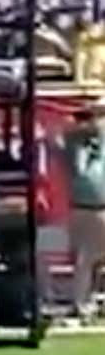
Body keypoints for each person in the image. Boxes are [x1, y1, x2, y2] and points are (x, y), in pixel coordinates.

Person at [64, 100, 105, 320]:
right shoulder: (73, 140)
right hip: (85, 208)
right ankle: (81, 304)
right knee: (85, 259)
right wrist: (92, 115)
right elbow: (75, 129)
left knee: (97, 261)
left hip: (101, 208)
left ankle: (91, 301)